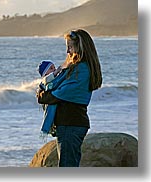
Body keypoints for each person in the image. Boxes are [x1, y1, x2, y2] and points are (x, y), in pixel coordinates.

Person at [36, 29, 102, 167]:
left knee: (67, 166)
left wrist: (42, 94)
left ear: (80, 48)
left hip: (71, 124)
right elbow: (52, 90)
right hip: (68, 124)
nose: (68, 51)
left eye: (70, 47)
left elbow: (56, 95)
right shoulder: (74, 68)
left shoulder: (81, 70)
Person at [37, 60, 62, 141]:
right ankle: (48, 129)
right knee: (50, 115)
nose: (54, 69)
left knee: (53, 115)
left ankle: (52, 128)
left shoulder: (55, 79)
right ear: (45, 73)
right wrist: (56, 71)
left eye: (54, 68)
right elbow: (47, 79)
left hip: (53, 101)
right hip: (49, 102)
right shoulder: (45, 80)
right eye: (51, 68)